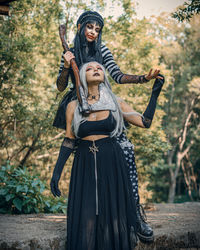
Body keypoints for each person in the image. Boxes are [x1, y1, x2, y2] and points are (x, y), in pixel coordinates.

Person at [53, 10, 164, 243]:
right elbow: (60, 86)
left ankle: (135, 214)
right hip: (79, 102)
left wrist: (144, 78)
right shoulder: (70, 50)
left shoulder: (103, 51)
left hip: (104, 100)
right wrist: (66, 64)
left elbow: (119, 76)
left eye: (97, 29)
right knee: (78, 147)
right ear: (81, 26)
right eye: (90, 27)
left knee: (125, 149)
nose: (93, 32)